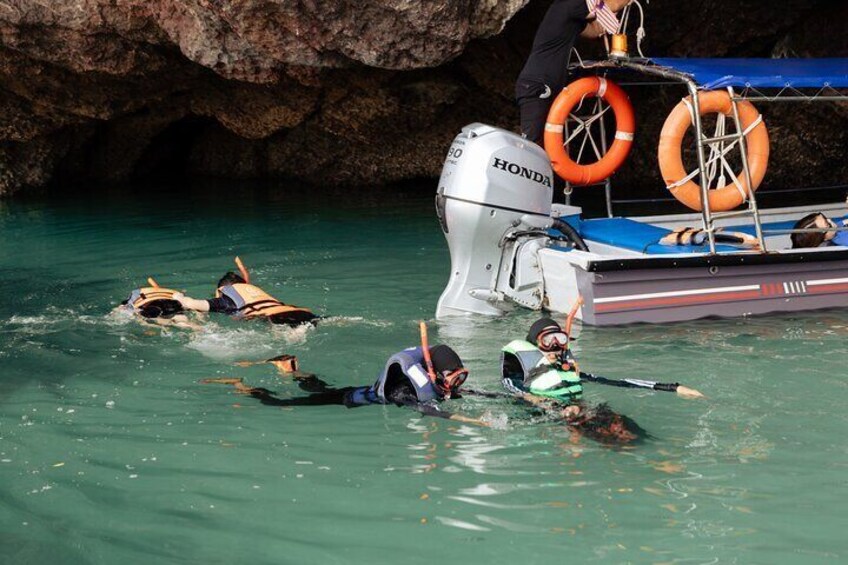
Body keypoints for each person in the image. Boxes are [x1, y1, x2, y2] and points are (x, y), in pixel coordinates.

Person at [203, 324, 487, 426]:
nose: (456, 385)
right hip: (351, 398)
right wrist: (475, 421)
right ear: (433, 372)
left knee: (317, 388)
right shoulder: (405, 391)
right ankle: (243, 386)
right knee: (285, 402)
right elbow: (431, 412)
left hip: (359, 389)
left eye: (459, 378)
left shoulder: (431, 381)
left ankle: (293, 368)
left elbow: (466, 394)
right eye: (452, 378)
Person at [501, 317, 704, 443]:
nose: (554, 346)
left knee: (625, 429)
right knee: (608, 435)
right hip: (548, 411)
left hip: (580, 408)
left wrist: (672, 387)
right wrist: (534, 400)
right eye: (547, 341)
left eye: (560, 340)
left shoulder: (570, 372)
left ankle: (659, 449)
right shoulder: (521, 375)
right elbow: (510, 387)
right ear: (535, 344)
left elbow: (617, 381)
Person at [516, 0, 631, 145]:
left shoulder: (570, 14)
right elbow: (612, 4)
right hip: (537, 85)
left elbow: (595, 29)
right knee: (530, 146)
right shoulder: (569, 4)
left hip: (544, 85)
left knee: (544, 146)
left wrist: (613, 12)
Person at [173, 257, 317, 327]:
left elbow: (191, 303)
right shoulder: (255, 292)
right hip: (304, 313)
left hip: (280, 320)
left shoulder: (225, 298)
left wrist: (178, 296)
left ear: (220, 290)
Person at [117, 277, 198, 329]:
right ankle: (195, 326)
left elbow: (140, 319)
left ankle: (191, 326)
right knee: (180, 319)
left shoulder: (135, 303)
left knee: (169, 320)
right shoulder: (173, 300)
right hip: (168, 303)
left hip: (155, 306)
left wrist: (156, 326)